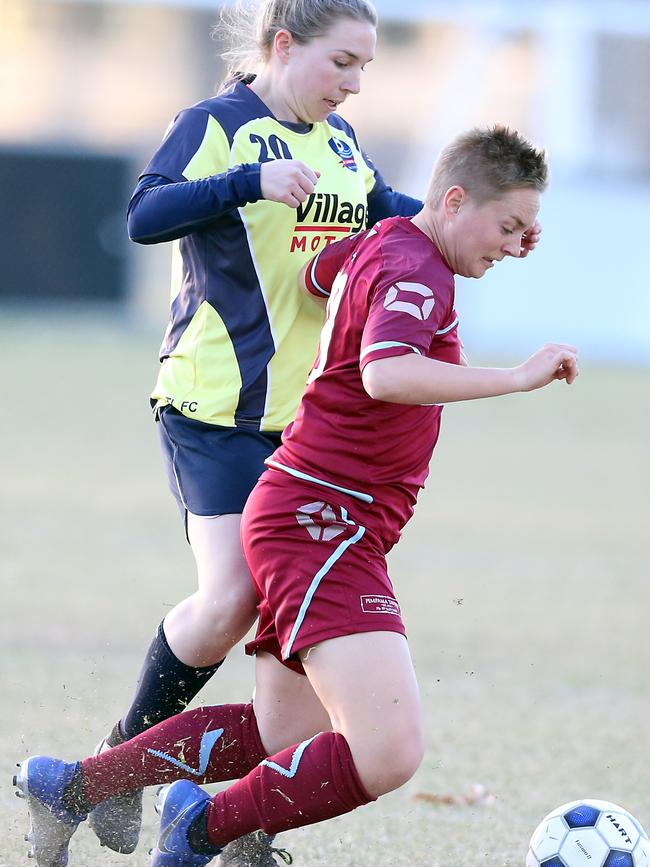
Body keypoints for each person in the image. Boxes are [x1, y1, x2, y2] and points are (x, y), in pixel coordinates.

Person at [15, 125, 576, 867]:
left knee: (284, 737)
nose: (513, 245)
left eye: (524, 232)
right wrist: (513, 376)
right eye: (508, 226)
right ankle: (203, 827)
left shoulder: (390, 241)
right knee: (390, 749)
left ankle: (73, 786)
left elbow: (319, 279)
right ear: (452, 198)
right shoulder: (419, 269)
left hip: (306, 511)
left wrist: (484, 228)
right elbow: (385, 371)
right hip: (324, 520)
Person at [88, 0, 432, 858]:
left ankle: (239, 822)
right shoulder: (215, 126)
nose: (354, 84)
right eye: (341, 62)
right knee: (230, 599)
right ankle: (113, 761)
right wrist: (248, 183)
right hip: (213, 411)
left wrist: (458, 223)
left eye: (366, 69)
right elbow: (143, 215)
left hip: (305, 434)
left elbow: (390, 216)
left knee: (292, 633)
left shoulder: (341, 143)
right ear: (285, 45)